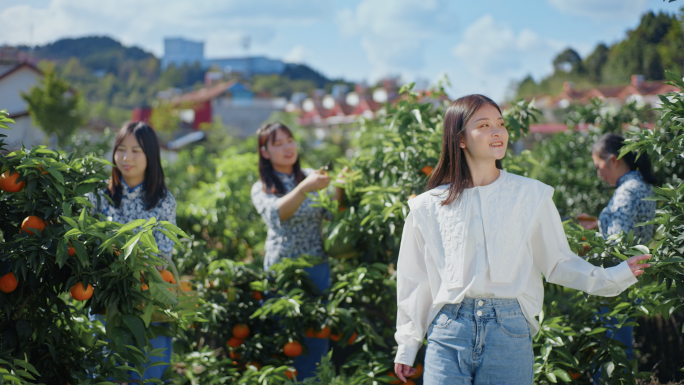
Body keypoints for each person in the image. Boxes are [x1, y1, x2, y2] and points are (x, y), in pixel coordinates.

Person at [393, 95, 651, 384]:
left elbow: (558, 262)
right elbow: (415, 280)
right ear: (460, 139)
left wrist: (615, 276)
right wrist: (407, 344)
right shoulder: (427, 206)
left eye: (500, 124)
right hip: (448, 331)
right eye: (484, 125)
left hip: (509, 331)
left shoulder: (531, 195)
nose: (497, 131)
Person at [250, 122, 345, 379]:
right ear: (265, 152)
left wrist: (340, 188)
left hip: (316, 266)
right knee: (284, 336)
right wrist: (304, 188)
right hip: (283, 269)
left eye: (289, 140)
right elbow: (277, 214)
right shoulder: (263, 186)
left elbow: (331, 213)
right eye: (277, 144)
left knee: (316, 336)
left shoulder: (310, 175)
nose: (287, 147)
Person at [88, 121, 177, 382]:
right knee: (105, 373)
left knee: (148, 374)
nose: (126, 158)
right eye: (121, 149)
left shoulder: (162, 199)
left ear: (151, 155)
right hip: (106, 302)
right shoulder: (99, 195)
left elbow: (162, 255)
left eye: (136, 151)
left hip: (148, 302)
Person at [578, 133, 658, 377]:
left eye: (599, 167)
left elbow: (617, 244)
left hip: (615, 278)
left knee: (611, 350)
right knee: (622, 345)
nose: (599, 174)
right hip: (632, 277)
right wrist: (598, 225)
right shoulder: (642, 185)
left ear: (613, 160)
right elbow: (632, 231)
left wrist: (586, 242)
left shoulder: (625, 192)